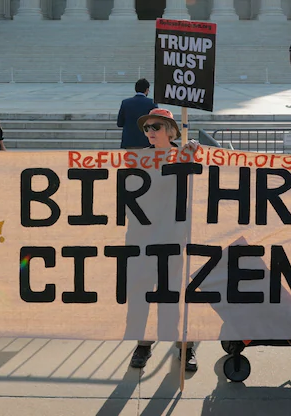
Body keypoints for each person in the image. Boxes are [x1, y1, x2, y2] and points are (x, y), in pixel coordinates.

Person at [129, 107, 197, 373]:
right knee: (144, 292)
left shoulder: (187, 154)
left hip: (175, 235)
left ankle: (184, 346)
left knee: (177, 292)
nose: (150, 132)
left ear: (171, 130)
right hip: (144, 237)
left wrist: (192, 156)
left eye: (155, 127)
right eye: (147, 128)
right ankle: (144, 344)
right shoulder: (138, 159)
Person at [116, 78, 157, 148]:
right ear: (147, 90)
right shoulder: (151, 103)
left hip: (128, 142)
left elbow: (119, 123)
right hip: (146, 142)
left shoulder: (125, 103)